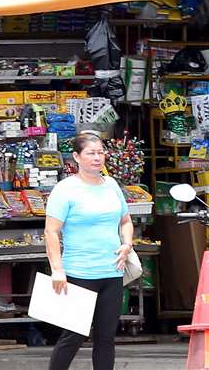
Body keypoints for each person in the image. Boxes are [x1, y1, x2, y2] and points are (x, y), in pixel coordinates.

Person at [45, 132, 134, 370]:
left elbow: (126, 220)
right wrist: (57, 270)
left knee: (106, 338)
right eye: (91, 153)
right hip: (79, 273)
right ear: (76, 157)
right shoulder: (66, 189)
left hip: (112, 272)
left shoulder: (112, 185)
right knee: (73, 336)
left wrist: (126, 244)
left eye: (101, 152)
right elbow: (51, 232)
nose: (97, 158)